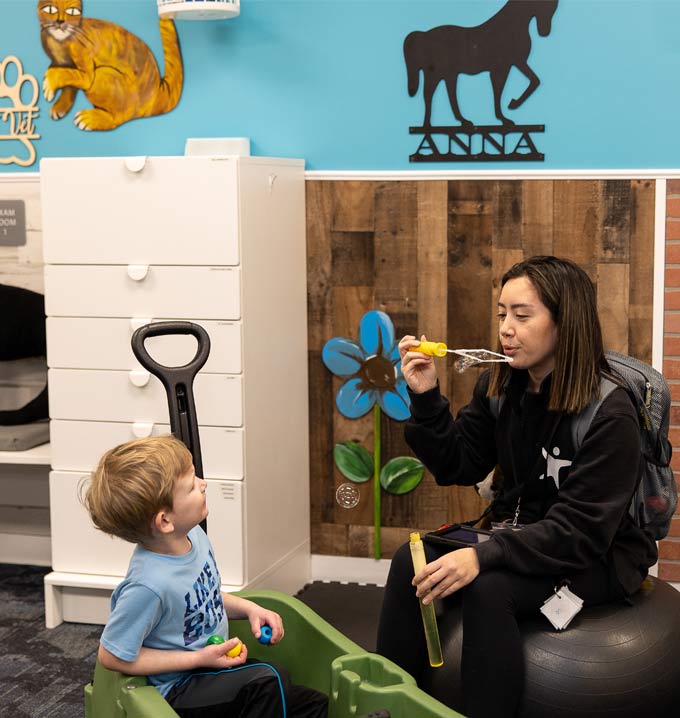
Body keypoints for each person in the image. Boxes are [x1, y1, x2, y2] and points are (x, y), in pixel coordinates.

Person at [376, 256, 658, 718]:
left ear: (565, 322)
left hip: (598, 553)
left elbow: (580, 532)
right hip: (516, 533)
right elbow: (458, 465)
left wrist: (484, 555)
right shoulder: (499, 385)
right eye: (502, 314)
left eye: (522, 316)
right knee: (413, 558)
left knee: (489, 589)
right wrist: (426, 397)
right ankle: (388, 704)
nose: (506, 328)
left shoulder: (611, 412)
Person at [83, 434, 328, 718]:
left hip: (210, 669)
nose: (203, 484)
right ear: (164, 521)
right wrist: (198, 658)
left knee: (315, 703)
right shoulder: (147, 586)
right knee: (269, 680)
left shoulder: (194, 538)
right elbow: (112, 656)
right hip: (178, 688)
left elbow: (203, 598)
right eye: (191, 486)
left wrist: (250, 608)